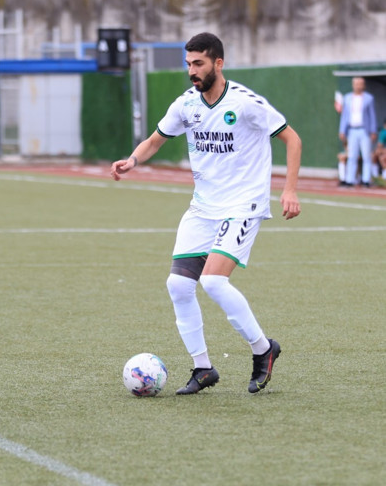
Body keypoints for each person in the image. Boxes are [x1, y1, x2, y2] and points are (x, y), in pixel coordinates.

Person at [111, 32, 302, 395]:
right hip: (204, 207)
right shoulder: (186, 105)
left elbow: (292, 138)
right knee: (179, 285)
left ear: (218, 63)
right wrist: (132, 160)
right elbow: (155, 140)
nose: (191, 71)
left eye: (198, 64)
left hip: (243, 203)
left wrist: (289, 189)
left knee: (213, 282)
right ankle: (203, 368)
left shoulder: (246, 103)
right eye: (188, 64)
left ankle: (263, 350)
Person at [338, 77, 377, 187]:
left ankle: (366, 180)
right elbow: (344, 116)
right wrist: (342, 130)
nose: (358, 86)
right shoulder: (347, 98)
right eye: (356, 84)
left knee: (366, 156)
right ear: (353, 85)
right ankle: (350, 180)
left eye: (360, 84)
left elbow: (372, 115)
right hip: (352, 130)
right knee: (352, 156)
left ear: (363, 85)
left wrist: (373, 130)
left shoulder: (369, 98)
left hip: (364, 130)